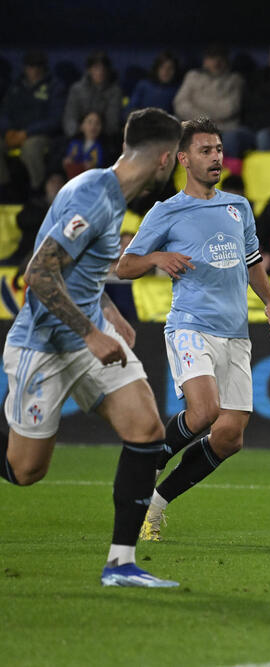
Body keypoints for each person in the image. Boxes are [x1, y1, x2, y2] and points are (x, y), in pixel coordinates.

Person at [1, 107, 182, 587]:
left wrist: (109, 311)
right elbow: (37, 274)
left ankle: (121, 564)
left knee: (146, 428)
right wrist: (91, 332)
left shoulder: (110, 192)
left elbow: (74, 267)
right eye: (176, 161)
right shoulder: (94, 196)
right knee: (25, 471)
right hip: (45, 345)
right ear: (164, 158)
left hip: (88, 333)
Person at [116, 117, 270, 541]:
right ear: (183, 158)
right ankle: (152, 457)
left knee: (229, 437)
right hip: (191, 325)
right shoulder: (167, 211)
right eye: (206, 151)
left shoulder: (238, 206)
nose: (216, 157)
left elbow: (252, 261)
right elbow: (125, 265)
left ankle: (154, 506)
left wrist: (269, 302)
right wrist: (157, 259)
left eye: (218, 149)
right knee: (205, 411)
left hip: (236, 332)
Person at [0, 51, 65, 195]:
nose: (34, 70)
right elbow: (4, 112)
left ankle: (38, 189)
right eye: (30, 66)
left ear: (44, 67)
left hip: (40, 135)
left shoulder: (54, 87)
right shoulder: (15, 87)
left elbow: (55, 120)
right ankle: (4, 187)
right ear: (25, 67)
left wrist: (27, 132)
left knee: (31, 149)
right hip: (13, 133)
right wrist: (7, 130)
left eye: (37, 66)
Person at [172, 45, 246, 156]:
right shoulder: (192, 76)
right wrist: (204, 120)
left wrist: (197, 102)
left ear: (227, 60)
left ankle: (226, 171)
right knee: (172, 127)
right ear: (205, 61)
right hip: (193, 125)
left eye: (221, 57)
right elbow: (180, 104)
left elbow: (229, 109)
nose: (217, 61)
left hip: (224, 129)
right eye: (212, 58)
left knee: (233, 137)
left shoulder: (235, 79)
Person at [3, 172, 65, 267]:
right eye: (52, 182)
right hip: (25, 253)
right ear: (46, 186)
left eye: (59, 183)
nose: (55, 186)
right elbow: (21, 220)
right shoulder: (36, 204)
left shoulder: (68, 209)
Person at [62, 50, 123, 141]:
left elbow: (113, 123)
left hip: (104, 139)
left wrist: (94, 129)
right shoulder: (76, 89)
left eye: (103, 69)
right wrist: (81, 130)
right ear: (89, 70)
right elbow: (69, 117)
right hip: (77, 136)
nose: (100, 72)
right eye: (96, 68)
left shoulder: (115, 91)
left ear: (108, 70)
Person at [126, 51, 181, 115]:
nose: (166, 71)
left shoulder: (177, 89)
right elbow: (130, 108)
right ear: (156, 68)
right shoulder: (144, 85)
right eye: (162, 67)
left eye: (170, 68)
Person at [62, 111, 106, 178]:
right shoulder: (75, 143)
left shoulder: (102, 147)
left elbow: (100, 164)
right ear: (82, 126)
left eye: (97, 123)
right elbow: (70, 156)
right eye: (89, 122)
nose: (93, 126)